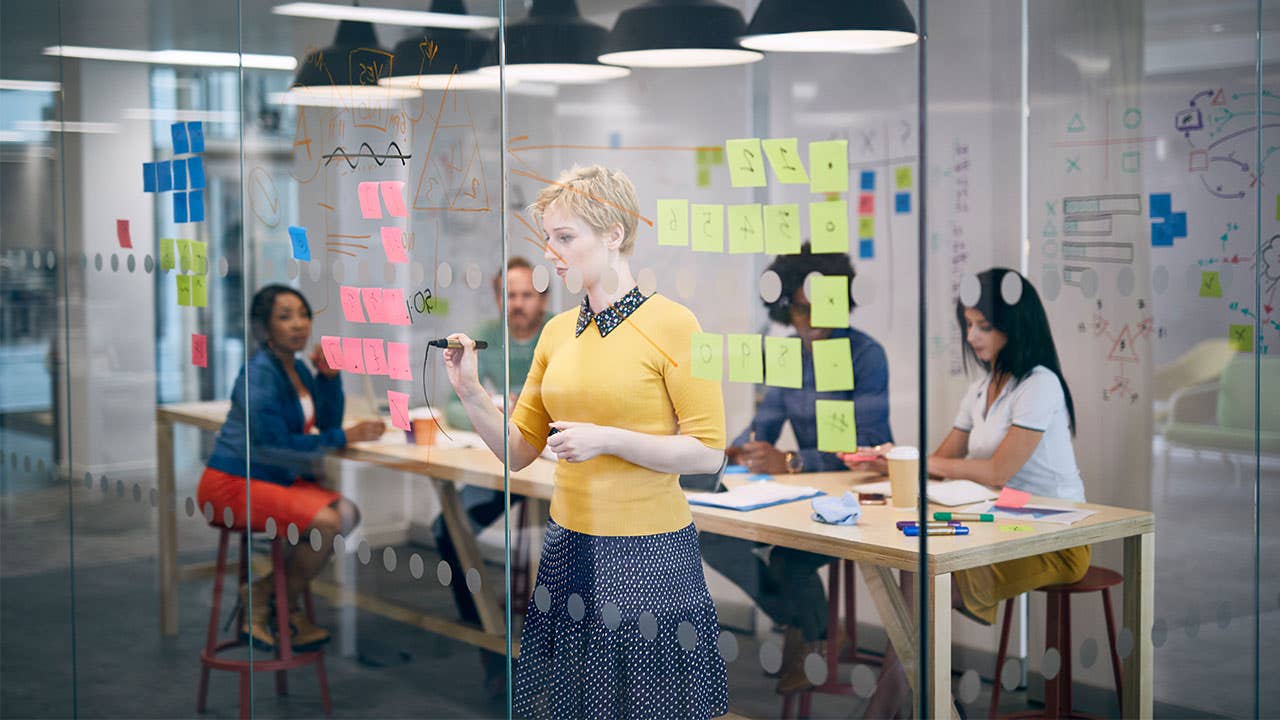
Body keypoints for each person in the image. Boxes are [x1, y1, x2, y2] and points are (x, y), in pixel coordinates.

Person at [442, 165, 730, 719]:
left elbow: (707, 451)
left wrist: (608, 440)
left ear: (614, 235)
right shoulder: (557, 332)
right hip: (571, 542)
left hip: (648, 548)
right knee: (579, 705)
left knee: (651, 705)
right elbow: (520, 451)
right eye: (549, 237)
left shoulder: (675, 323)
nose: (552, 252)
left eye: (565, 237)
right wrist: (471, 392)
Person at [846, 268, 1089, 716]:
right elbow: (938, 466)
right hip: (1003, 523)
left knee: (917, 600)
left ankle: (895, 706)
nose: (973, 336)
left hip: (1054, 536)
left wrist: (916, 460)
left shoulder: (1040, 384)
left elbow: (997, 471)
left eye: (985, 326)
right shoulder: (980, 389)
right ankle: (919, 703)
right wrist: (890, 459)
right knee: (915, 574)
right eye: (968, 325)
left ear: (1014, 327)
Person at [699, 243, 893, 694]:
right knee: (710, 535)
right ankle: (806, 623)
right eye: (800, 310)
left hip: (858, 495)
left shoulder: (866, 356)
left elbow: (868, 449)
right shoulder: (788, 353)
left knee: (788, 559)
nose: (810, 320)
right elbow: (763, 426)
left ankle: (809, 637)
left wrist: (793, 461)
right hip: (806, 493)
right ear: (787, 307)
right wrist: (729, 451)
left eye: (821, 308)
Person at [198, 285, 385, 651]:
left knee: (347, 513)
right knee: (327, 522)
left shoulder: (296, 368)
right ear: (264, 329)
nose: (298, 325)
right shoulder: (259, 374)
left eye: (303, 315)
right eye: (285, 317)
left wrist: (329, 380)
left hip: (273, 478)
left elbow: (324, 422)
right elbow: (273, 444)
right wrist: (345, 437)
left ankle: (271, 598)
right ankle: (277, 603)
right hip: (233, 482)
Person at [437, 256, 552, 694]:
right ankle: (487, 637)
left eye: (527, 294)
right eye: (510, 295)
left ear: (543, 297)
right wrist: (492, 410)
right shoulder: (486, 335)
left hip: (552, 468)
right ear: (497, 296)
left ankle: (551, 660)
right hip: (503, 463)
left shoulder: (558, 334)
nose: (518, 304)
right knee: (447, 528)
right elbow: (452, 407)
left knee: (563, 552)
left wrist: (512, 411)